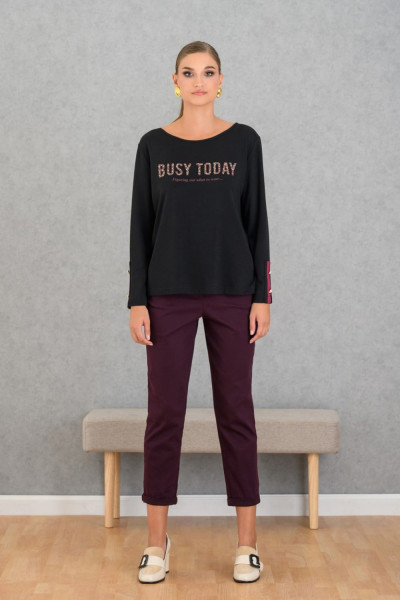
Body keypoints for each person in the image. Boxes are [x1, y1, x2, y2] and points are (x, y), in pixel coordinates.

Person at [127, 41, 272, 584]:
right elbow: (140, 226)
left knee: (236, 411)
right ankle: (155, 544)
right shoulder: (152, 145)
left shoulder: (245, 141)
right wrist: (136, 299)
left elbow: (257, 220)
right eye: (188, 73)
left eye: (208, 72)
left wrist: (263, 296)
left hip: (234, 292)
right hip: (167, 294)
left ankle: (247, 545)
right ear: (175, 81)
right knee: (164, 415)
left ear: (221, 80)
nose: (198, 81)